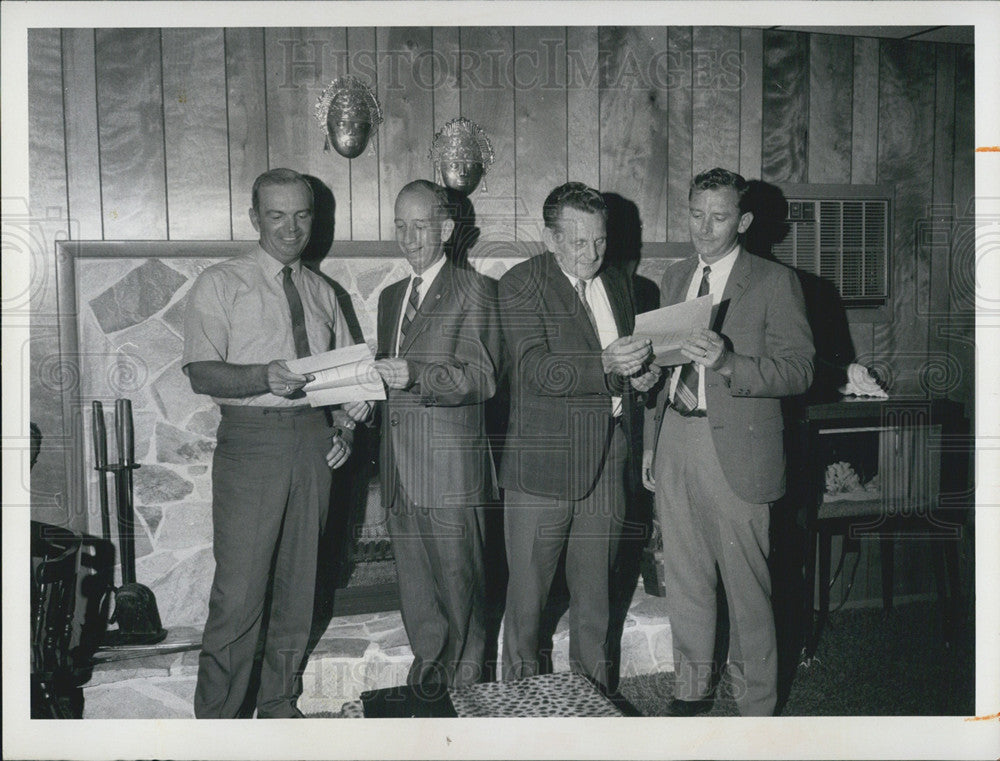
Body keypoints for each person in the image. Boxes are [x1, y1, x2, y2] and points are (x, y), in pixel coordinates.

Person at [182, 168, 369, 718]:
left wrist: (345, 426)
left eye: (303, 215)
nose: (291, 228)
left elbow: (347, 376)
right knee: (239, 595)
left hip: (314, 446)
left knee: (299, 588)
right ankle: (217, 723)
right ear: (254, 218)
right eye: (277, 215)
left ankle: (279, 703)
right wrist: (265, 374)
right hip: (252, 445)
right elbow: (201, 374)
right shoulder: (221, 282)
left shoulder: (323, 291)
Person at [643, 167, 814, 716]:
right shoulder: (673, 278)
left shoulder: (773, 281)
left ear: (742, 220)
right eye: (696, 214)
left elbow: (800, 371)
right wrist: (652, 438)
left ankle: (755, 708)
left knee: (748, 590)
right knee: (686, 576)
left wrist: (728, 361)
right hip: (675, 438)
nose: (705, 228)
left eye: (719, 217)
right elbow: (664, 365)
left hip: (738, 450)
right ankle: (691, 693)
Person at [498, 182, 658, 691]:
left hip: (608, 458)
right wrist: (607, 364)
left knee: (595, 600)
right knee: (528, 605)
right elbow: (534, 369)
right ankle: (522, 709)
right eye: (578, 242)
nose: (592, 254)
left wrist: (642, 378)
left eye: (600, 241)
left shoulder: (618, 284)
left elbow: (626, 368)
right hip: (541, 469)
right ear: (550, 238)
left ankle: (595, 702)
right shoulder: (520, 283)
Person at [371, 180, 502, 689]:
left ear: (446, 229)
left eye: (420, 226)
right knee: (417, 586)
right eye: (400, 226)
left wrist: (418, 374)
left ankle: (468, 692)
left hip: (450, 469)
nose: (408, 237)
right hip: (400, 469)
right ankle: (428, 677)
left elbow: (483, 377)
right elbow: (391, 377)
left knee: (459, 584)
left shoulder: (476, 291)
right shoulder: (389, 298)